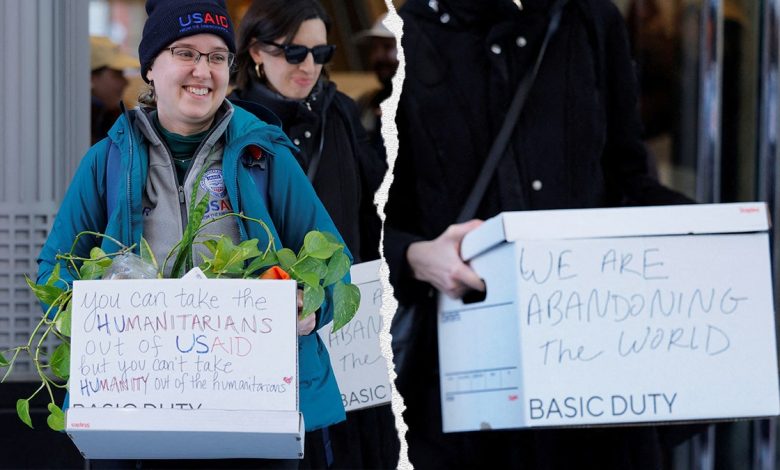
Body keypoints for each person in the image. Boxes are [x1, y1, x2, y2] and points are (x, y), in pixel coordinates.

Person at [384, 0, 695, 469]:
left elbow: (627, 175)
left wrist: (709, 241)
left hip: (592, 358)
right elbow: (376, 210)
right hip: (467, 370)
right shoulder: (410, 32)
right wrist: (416, 256)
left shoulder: (590, 20)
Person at [38, 0, 346, 467]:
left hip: (253, 412)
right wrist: (97, 306)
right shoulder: (107, 161)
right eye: (185, 53)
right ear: (150, 68)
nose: (203, 70)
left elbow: (333, 262)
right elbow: (54, 271)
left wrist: (310, 303)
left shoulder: (265, 155)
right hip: (135, 411)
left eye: (217, 57)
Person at [229, 1, 398, 468]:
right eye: (294, 52)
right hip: (270, 327)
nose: (310, 65)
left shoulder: (339, 111)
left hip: (349, 320)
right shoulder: (234, 127)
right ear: (257, 51)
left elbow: (371, 210)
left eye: (321, 51)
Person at [353, 13, 399, 158]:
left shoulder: (427, 106)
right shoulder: (365, 103)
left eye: (387, 47)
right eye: (374, 48)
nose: (378, 56)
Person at [90, 36, 140, 145]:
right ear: (92, 78)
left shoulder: (110, 117)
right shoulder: (77, 126)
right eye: (117, 74)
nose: (126, 82)